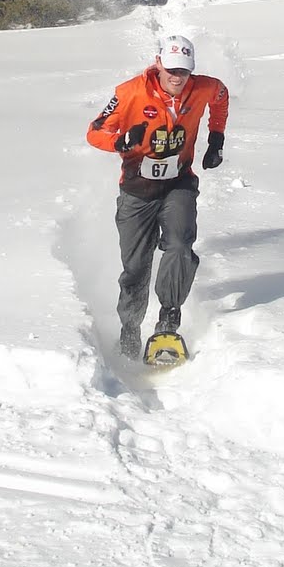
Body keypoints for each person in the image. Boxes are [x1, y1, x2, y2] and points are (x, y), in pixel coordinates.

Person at [86, 34, 229, 360]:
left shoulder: (203, 87)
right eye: (172, 70)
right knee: (136, 268)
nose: (178, 78)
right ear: (159, 64)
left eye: (184, 71)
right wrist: (120, 142)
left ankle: (169, 319)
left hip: (178, 185)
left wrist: (217, 138)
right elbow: (95, 130)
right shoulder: (129, 92)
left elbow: (221, 96)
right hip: (136, 192)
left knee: (179, 246)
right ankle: (130, 329)